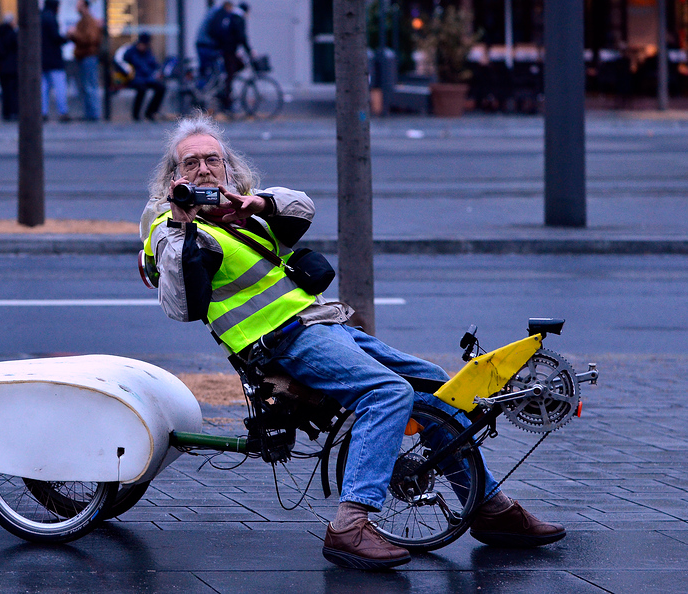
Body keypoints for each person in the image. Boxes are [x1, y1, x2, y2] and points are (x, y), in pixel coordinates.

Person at [140, 112, 567, 571]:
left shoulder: (241, 213)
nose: (204, 170)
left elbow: (302, 206)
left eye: (212, 160)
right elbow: (181, 306)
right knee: (388, 393)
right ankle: (350, 525)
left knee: (439, 383)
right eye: (190, 164)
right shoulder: (175, 230)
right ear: (173, 178)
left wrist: (255, 203)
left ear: (229, 168)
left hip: (325, 327)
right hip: (283, 341)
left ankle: (489, 507)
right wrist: (182, 225)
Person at [207, 0, 253, 111]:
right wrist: (250, 51)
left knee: (233, 70)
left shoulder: (231, 16)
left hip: (225, 49)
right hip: (229, 50)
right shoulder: (238, 17)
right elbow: (241, 36)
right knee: (231, 73)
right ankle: (227, 100)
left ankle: (226, 90)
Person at [67, 0, 102, 121]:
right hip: (84, 56)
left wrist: (75, 34)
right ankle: (90, 114)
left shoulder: (89, 20)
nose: (76, 8)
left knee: (89, 86)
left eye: (79, 5)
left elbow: (90, 38)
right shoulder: (83, 21)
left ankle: (93, 114)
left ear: (85, 6)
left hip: (88, 56)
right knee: (86, 86)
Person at [123, 33, 165, 122]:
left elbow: (154, 65)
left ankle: (150, 112)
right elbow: (124, 64)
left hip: (148, 78)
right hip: (135, 79)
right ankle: (136, 115)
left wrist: (157, 74)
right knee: (142, 89)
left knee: (161, 88)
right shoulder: (131, 52)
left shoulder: (148, 52)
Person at [40, 0, 71, 122]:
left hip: (43, 60)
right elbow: (55, 38)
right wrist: (67, 38)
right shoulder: (51, 18)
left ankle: (43, 112)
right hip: (54, 60)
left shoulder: (41, 17)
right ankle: (63, 112)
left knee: (43, 88)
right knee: (60, 87)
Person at [0, 13, 18, 121]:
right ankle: (13, 111)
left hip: (2, 68)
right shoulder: (12, 34)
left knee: (5, 92)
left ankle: (6, 113)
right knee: (13, 91)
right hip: (13, 68)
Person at [194, 2, 223, 88]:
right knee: (209, 70)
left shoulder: (212, 12)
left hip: (202, 43)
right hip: (206, 44)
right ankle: (201, 90)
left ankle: (201, 90)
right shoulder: (217, 13)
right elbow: (215, 31)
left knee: (205, 69)